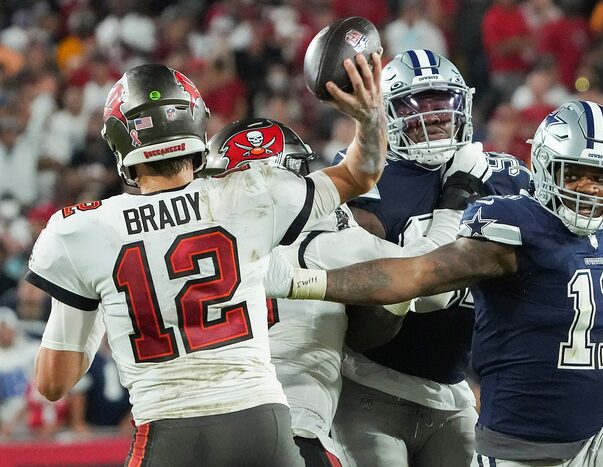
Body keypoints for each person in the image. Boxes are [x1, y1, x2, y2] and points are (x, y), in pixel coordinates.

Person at [25, 54, 386, 467]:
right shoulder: (248, 194)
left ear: (120, 141)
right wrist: (369, 116)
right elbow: (362, 173)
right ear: (195, 122)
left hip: (168, 430)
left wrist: (97, 299)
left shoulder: (81, 231)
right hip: (261, 423)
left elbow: (54, 382)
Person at [278, 100, 603, 466]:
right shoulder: (514, 226)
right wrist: (297, 281)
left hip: (594, 438)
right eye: (575, 174)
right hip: (516, 447)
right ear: (546, 169)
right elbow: (413, 274)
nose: (588, 189)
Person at [199, 115, 489, 466]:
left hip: (196, 427)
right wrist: (456, 196)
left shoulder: (184, 240)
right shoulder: (314, 235)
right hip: (287, 428)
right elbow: (422, 277)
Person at [327, 49, 533, 467]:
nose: (435, 115)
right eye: (416, 103)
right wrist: (453, 203)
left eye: (443, 101)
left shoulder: (504, 174)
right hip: (369, 383)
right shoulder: (365, 177)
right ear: (385, 112)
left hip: (452, 386)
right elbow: (376, 284)